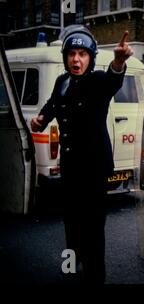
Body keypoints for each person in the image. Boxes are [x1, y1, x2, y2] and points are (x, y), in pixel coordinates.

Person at [30, 25, 133, 283]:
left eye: (83, 54)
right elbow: (54, 103)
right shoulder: (62, 81)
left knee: (93, 231)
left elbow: (113, 79)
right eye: (72, 54)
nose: (76, 59)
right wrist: (41, 119)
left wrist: (118, 61)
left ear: (91, 58)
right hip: (70, 169)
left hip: (94, 171)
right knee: (71, 225)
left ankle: (95, 278)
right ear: (65, 57)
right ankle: (72, 269)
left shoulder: (98, 82)